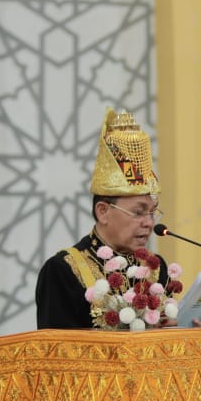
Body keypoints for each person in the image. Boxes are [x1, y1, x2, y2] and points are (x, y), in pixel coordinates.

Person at [36, 108, 170, 328]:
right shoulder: (63, 270)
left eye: (152, 212)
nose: (149, 222)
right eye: (138, 212)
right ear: (103, 211)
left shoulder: (155, 268)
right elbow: (56, 354)